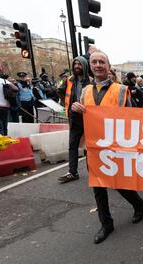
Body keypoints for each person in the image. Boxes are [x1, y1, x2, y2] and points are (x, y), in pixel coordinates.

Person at [71, 50, 143, 245]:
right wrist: (75, 110)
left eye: (101, 62)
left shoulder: (121, 90)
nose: (97, 65)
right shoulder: (85, 91)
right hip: (93, 147)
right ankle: (106, 223)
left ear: (108, 66)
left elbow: (131, 118)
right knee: (98, 186)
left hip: (116, 146)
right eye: (94, 62)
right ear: (91, 66)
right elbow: (82, 119)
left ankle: (138, 203)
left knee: (118, 183)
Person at [57, 56, 92, 184]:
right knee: (72, 145)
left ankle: (93, 172)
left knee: (90, 146)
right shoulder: (69, 80)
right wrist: (67, 103)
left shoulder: (91, 81)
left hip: (88, 118)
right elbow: (59, 91)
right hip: (74, 118)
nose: (77, 66)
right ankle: (72, 172)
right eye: (75, 64)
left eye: (79, 64)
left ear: (84, 66)